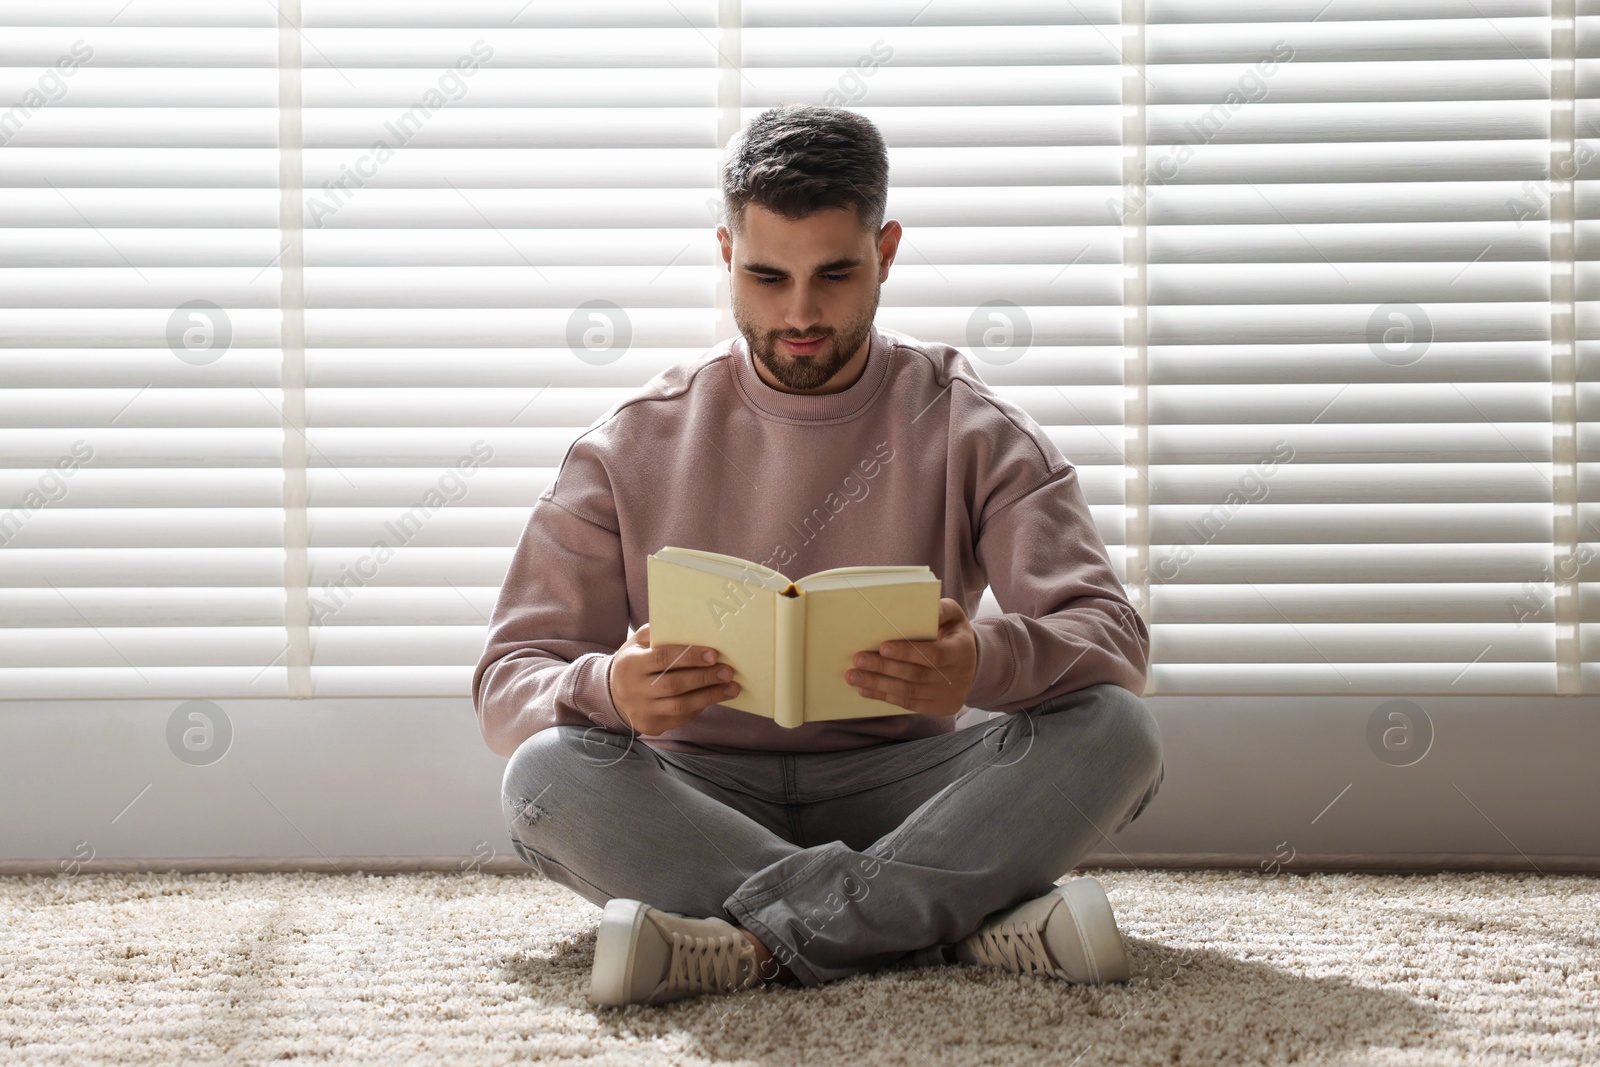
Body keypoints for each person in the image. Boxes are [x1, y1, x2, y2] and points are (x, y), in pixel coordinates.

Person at [472, 104, 1165, 1007]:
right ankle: (951, 923)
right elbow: (506, 682)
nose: (799, 313)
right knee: (544, 777)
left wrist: (978, 662)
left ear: (886, 251)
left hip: (910, 790)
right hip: (695, 794)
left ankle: (754, 943)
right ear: (726, 254)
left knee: (1119, 731)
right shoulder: (629, 444)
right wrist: (609, 687)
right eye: (766, 276)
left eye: (835, 274)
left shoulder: (972, 423)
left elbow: (1115, 639)